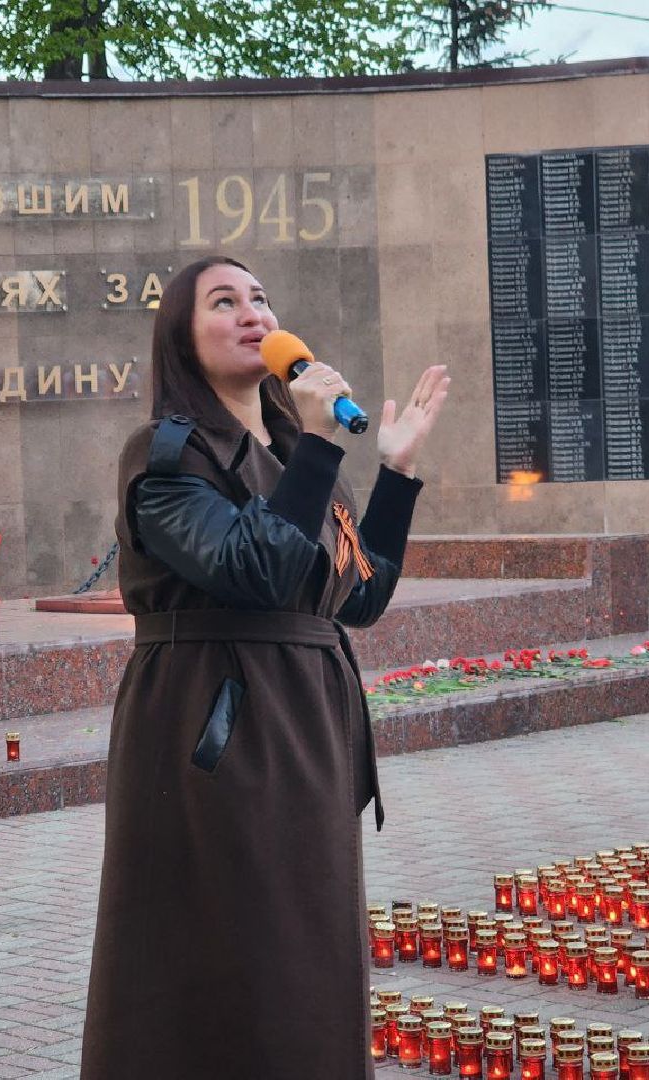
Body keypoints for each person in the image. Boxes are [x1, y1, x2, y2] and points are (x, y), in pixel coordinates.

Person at [81, 256, 449, 1079]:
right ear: (182, 337)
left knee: (307, 961)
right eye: (224, 302)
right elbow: (255, 570)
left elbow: (358, 594)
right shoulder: (167, 454)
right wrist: (319, 446)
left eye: (260, 298)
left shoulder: (294, 453)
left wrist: (396, 474)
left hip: (308, 728)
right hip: (214, 731)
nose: (253, 313)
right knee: (227, 959)